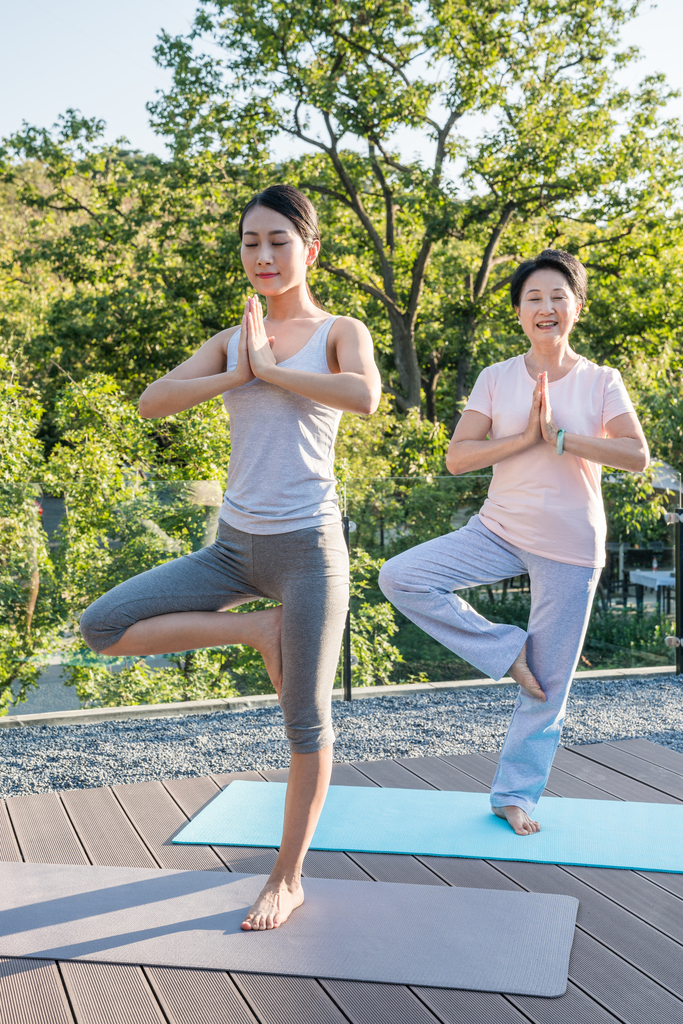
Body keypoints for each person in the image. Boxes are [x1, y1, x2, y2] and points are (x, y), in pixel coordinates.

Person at [80, 184, 382, 928]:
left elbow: (364, 395)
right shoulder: (232, 336)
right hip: (232, 550)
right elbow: (153, 401)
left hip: (309, 550)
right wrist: (238, 370)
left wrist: (273, 370)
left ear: (309, 251)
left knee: (305, 722)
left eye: (278, 241)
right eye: (250, 242)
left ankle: (286, 878)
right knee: (102, 626)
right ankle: (256, 629)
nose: (263, 255)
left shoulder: (339, 329)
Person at [379, 249, 648, 836]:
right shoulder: (496, 378)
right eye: (534, 299)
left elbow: (635, 455)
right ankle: (505, 649)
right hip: (496, 528)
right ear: (520, 313)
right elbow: (458, 457)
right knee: (400, 575)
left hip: (570, 545)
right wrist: (524, 437)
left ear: (576, 306)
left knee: (548, 690)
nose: (546, 308)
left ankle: (514, 796)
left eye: (558, 297)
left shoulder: (601, 380)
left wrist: (562, 439)